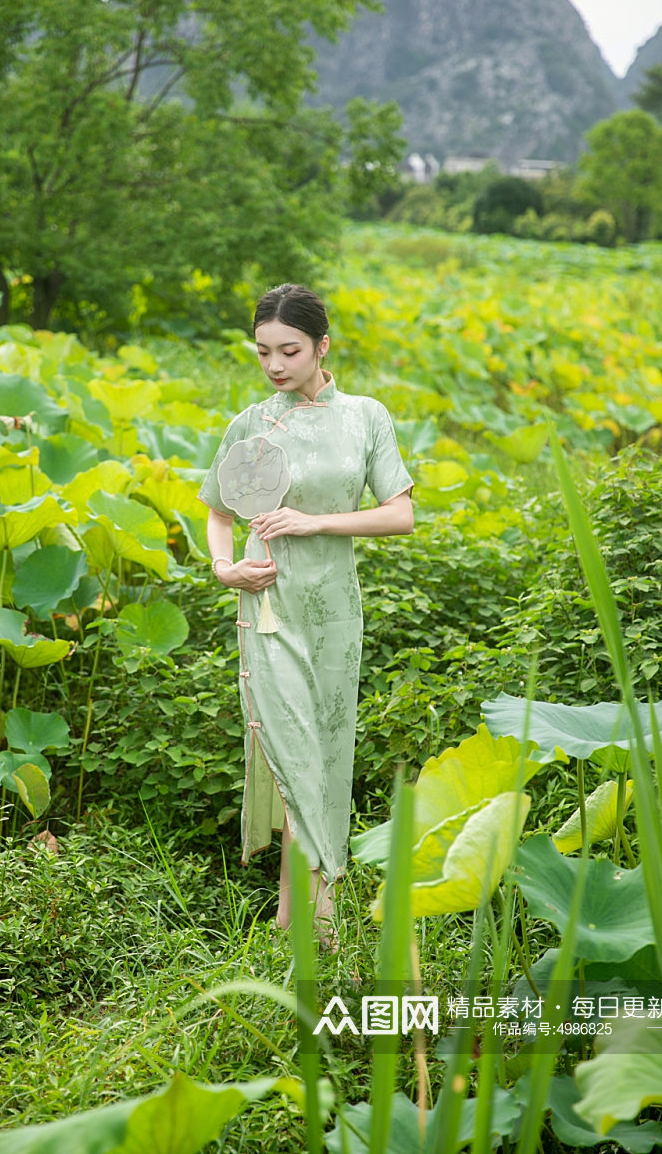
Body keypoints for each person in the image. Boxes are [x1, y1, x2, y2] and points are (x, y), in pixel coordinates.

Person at [198, 284, 413, 949]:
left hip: (334, 613)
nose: (274, 365)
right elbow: (217, 511)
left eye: (289, 350)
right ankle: (319, 924)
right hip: (268, 606)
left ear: (323, 346)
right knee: (292, 750)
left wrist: (315, 521)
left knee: (325, 752)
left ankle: (298, 920)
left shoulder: (365, 418)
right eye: (263, 351)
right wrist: (224, 567)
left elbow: (399, 514)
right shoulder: (253, 423)